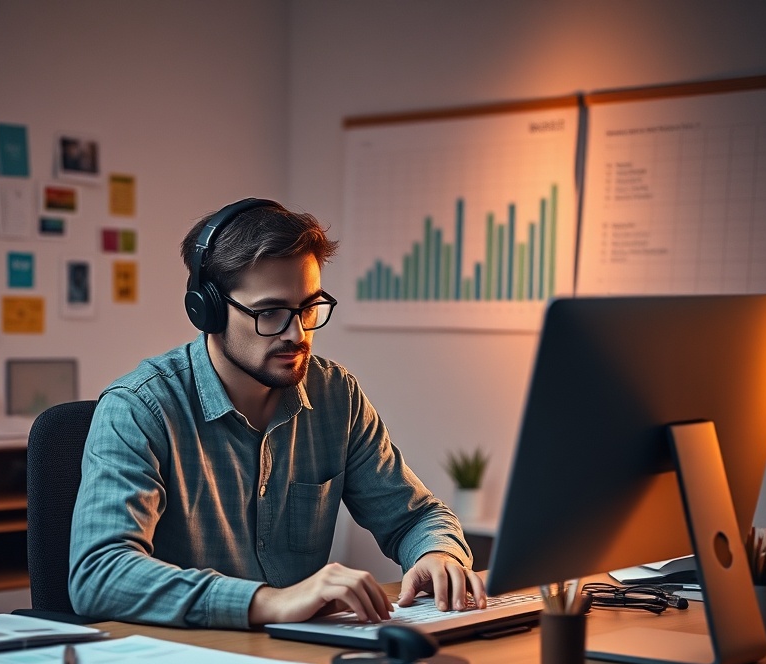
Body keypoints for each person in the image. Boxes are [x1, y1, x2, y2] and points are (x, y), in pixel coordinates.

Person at [69, 198, 486, 628]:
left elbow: (415, 516)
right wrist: (268, 602)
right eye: (270, 312)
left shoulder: (335, 396)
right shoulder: (139, 408)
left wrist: (438, 553)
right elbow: (99, 574)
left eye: (308, 307)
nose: (297, 333)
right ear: (207, 310)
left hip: (304, 660)